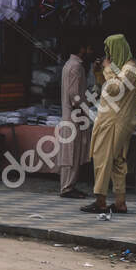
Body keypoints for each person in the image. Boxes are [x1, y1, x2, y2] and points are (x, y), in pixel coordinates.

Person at [81, 34, 136, 215]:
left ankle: (100, 201)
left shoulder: (130, 68)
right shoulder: (122, 67)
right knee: (117, 161)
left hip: (115, 122)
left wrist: (107, 69)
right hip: (114, 120)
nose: (108, 54)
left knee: (102, 159)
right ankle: (119, 202)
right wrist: (99, 72)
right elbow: (105, 86)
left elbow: (116, 88)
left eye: (109, 50)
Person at [58, 40, 95, 198]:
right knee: (72, 152)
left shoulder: (69, 64)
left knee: (70, 151)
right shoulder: (76, 67)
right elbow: (74, 94)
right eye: (87, 47)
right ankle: (67, 187)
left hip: (71, 113)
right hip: (74, 114)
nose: (89, 50)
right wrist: (81, 112)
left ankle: (67, 186)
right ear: (81, 48)